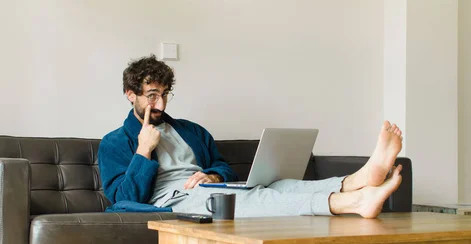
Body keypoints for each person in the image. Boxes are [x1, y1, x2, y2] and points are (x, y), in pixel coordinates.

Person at [98, 55, 404, 219]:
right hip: (173, 202)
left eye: (165, 95)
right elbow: (124, 200)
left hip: (206, 191)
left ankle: (357, 179)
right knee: (249, 199)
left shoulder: (190, 131)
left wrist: (213, 176)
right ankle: (352, 202)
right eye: (152, 96)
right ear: (130, 95)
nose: (161, 105)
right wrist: (143, 152)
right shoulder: (113, 143)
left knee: (278, 184)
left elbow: (223, 167)